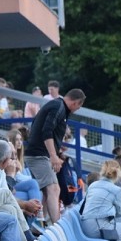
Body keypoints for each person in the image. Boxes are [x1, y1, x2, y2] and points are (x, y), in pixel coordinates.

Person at [24, 88, 86, 225]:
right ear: (76, 103)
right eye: (78, 107)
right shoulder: (58, 107)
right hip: (38, 155)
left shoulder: (58, 107)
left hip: (40, 154)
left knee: (48, 191)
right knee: (54, 188)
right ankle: (57, 227)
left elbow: (36, 124)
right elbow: (47, 131)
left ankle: (42, 224)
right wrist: (53, 155)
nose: (76, 110)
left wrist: (57, 154)